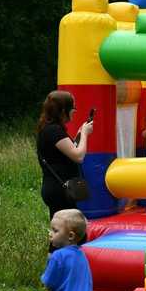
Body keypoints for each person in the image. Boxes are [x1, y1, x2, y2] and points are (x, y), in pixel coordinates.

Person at [37, 90, 93, 252]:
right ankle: (59, 269)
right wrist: (85, 135)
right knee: (69, 235)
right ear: (63, 110)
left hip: (57, 187)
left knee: (62, 234)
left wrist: (78, 136)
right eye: (72, 110)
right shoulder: (54, 131)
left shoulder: (49, 129)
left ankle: (57, 268)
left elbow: (66, 152)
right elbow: (78, 155)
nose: (73, 113)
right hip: (60, 188)